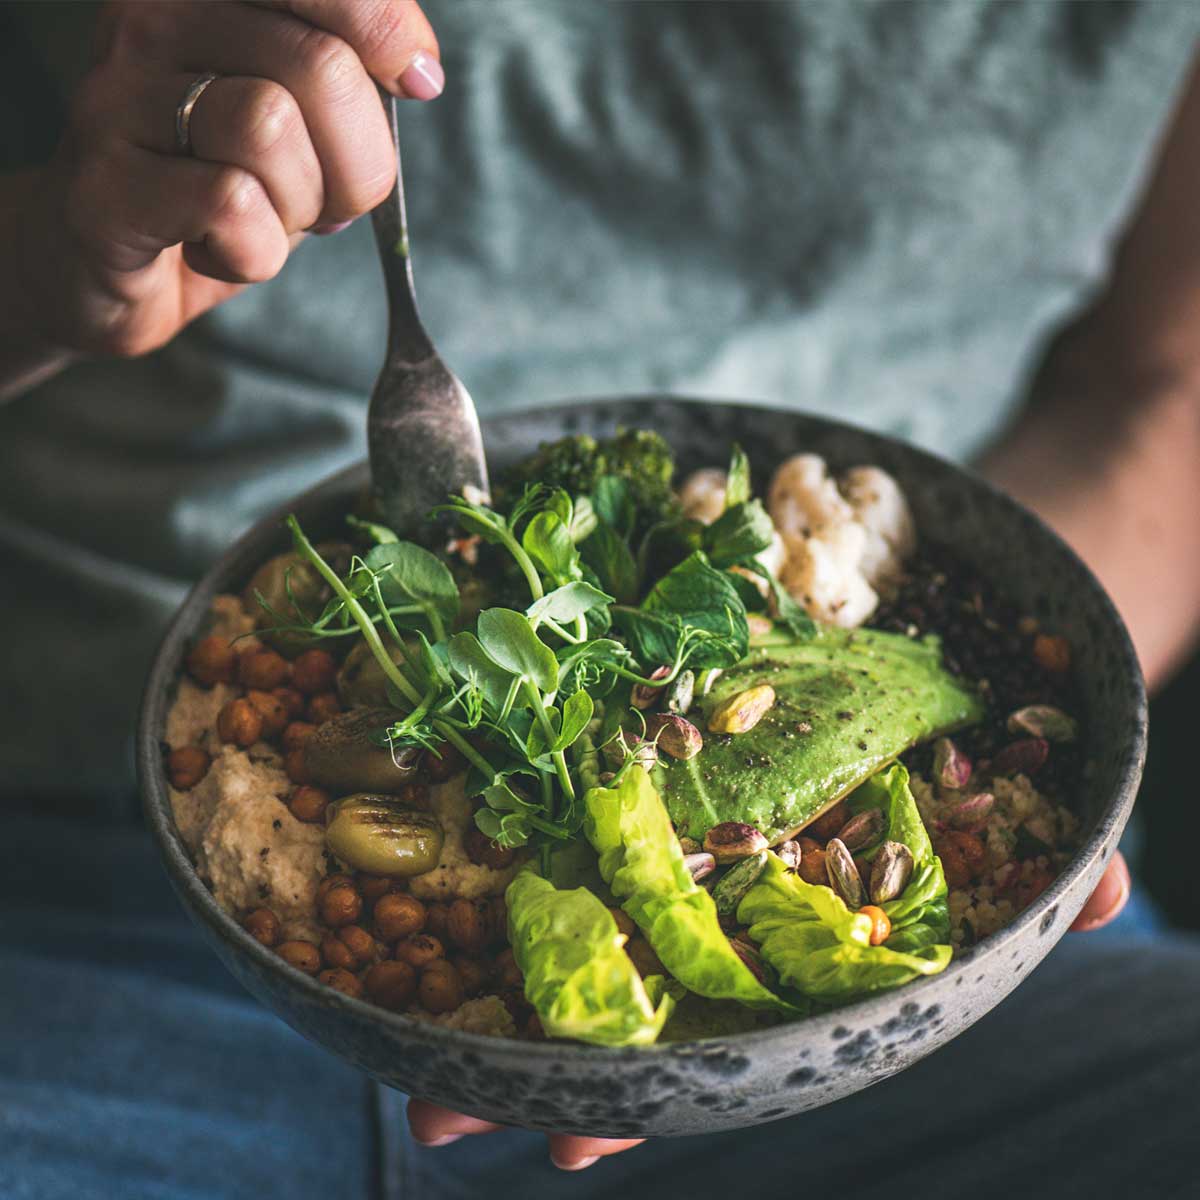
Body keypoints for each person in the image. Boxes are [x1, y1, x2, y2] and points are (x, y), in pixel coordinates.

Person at [1, 1, 1198, 1195]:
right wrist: (50, 257)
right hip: (95, 885)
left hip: (916, 1040)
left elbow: (1163, 393)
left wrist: (1022, 789)